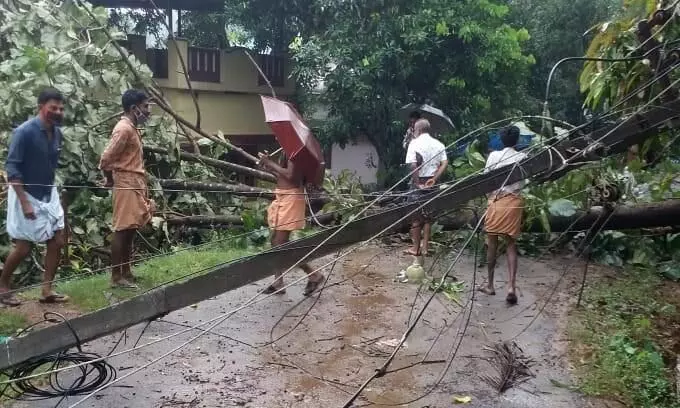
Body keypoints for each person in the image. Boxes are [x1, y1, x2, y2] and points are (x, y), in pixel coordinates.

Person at [1, 88, 69, 306]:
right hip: (25, 193)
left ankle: (46, 290)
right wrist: (24, 202)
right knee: (22, 246)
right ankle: (2, 288)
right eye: (53, 108)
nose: (57, 112)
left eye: (60, 108)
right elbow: (12, 169)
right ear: (41, 107)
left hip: (48, 192)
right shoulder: (24, 132)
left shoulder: (57, 133)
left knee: (57, 239)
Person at [99, 89, 155, 289]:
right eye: (145, 106)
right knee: (122, 230)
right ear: (134, 108)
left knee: (130, 230)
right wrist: (109, 180)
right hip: (125, 184)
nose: (148, 111)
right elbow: (106, 159)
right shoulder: (123, 129)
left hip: (135, 184)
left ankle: (127, 271)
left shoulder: (132, 128)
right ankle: (116, 277)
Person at [257, 152, 324, 296]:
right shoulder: (287, 150)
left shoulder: (295, 151)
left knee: (281, 245)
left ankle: (313, 274)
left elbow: (292, 176)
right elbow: (285, 175)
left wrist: (270, 163)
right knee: (276, 242)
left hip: (291, 199)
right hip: (283, 196)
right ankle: (278, 282)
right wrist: (271, 167)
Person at [478, 125, 527, 305]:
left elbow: (486, 179)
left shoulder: (493, 156)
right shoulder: (524, 158)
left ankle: (490, 285)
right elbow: (525, 181)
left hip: (497, 202)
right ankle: (511, 287)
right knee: (511, 244)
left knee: (492, 243)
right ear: (517, 140)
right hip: (514, 203)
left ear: (501, 139)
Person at [404, 118, 448, 256]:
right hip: (433, 183)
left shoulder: (414, 143)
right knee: (428, 217)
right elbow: (445, 162)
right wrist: (434, 179)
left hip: (419, 181)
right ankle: (425, 248)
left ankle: (415, 248)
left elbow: (412, 165)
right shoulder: (439, 144)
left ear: (418, 130)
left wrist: (417, 183)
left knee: (416, 217)